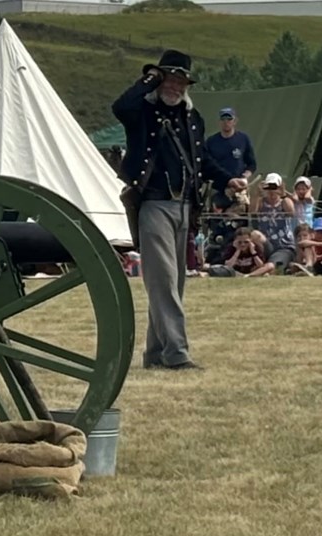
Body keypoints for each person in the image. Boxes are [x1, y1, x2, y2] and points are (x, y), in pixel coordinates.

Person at [112, 49, 246, 371]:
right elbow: (120, 107)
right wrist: (150, 78)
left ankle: (156, 354)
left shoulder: (192, 118)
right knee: (164, 282)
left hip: (186, 206)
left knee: (173, 284)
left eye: (180, 80)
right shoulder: (142, 111)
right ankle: (177, 354)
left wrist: (228, 180)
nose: (175, 86)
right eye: (169, 79)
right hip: (154, 203)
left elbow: (201, 162)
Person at [204, 107, 256, 211]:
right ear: (219, 122)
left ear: (235, 121)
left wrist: (244, 178)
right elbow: (206, 166)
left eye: (229, 119)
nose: (226, 122)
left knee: (239, 219)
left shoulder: (243, 139)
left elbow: (252, 164)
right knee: (216, 220)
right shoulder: (211, 141)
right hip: (218, 188)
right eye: (223, 119)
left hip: (239, 189)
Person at [250, 173, 297, 274]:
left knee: (272, 266)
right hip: (267, 243)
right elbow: (252, 212)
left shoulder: (284, 201)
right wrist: (257, 193)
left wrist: (282, 192)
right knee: (254, 234)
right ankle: (262, 267)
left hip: (283, 245)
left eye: (274, 186)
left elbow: (291, 213)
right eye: (269, 187)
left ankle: (256, 273)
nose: (271, 190)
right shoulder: (261, 202)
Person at [206, 227, 272, 278]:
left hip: (252, 271)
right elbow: (228, 265)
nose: (243, 245)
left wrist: (253, 252)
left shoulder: (256, 247)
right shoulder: (231, 248)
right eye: (240, 242)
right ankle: (250, 275)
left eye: (246, 242)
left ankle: (249, 276)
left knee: (270, 265)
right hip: (236, 271)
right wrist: (237, 250)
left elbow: (260, 265)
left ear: (251, 240)